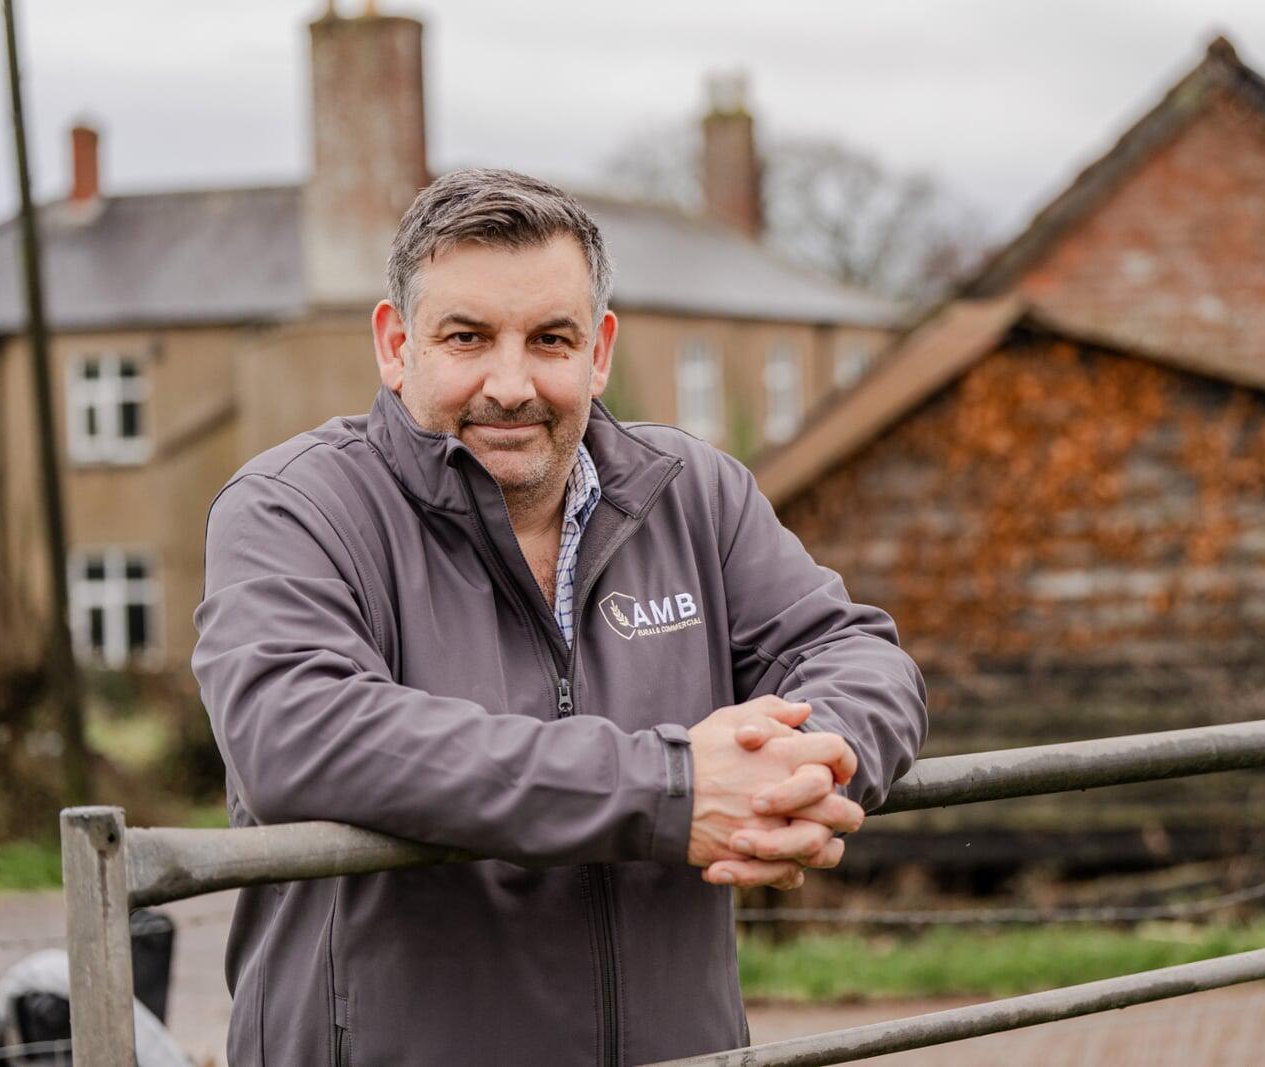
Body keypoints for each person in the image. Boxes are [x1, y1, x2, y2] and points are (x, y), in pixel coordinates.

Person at [193, 167, 927, 1065]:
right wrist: (672, 790)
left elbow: (858, 655)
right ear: (395, 343)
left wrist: (796, 776)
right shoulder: (293, 508)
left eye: (550, 338)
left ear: (599, 350)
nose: (511, 384)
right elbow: (298, 731)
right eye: (467, 337)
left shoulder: (693, 495)